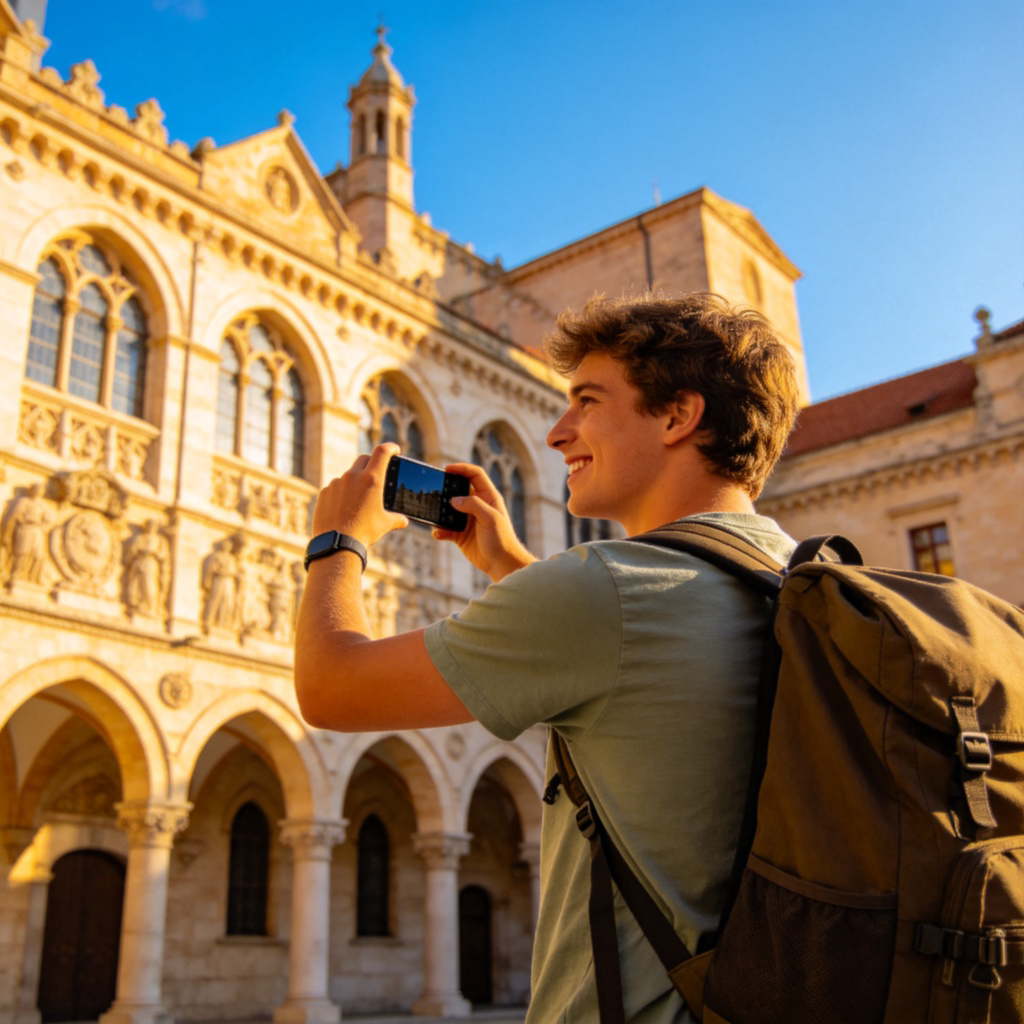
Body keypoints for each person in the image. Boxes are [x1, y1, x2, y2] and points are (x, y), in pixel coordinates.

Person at [294, 292, 801, 1023]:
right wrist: (511, 565)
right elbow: (633, 649)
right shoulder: (790, 575)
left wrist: (339, 541)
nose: (559, 432)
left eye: (586, 403)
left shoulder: (604, 589)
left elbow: (331, 690)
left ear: (677, 416)